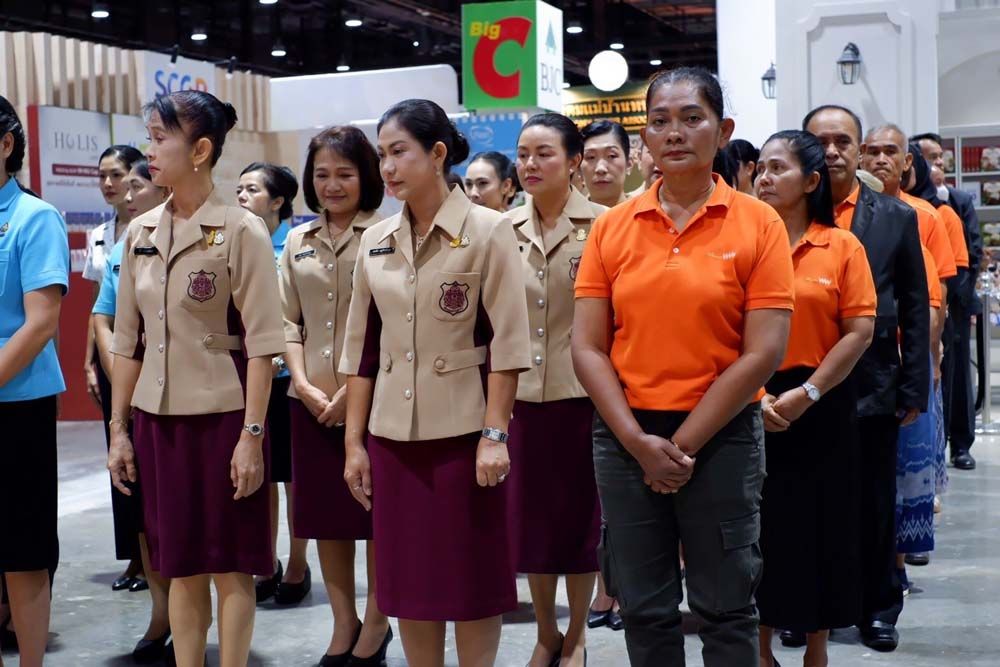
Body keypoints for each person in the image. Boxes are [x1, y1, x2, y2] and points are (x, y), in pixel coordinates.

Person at [572, 67, 795, 667]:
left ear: (722, 130)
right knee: (644, 608)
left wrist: (681, 445)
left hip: (722, 436)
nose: (675, 132)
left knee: (727, 608)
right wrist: (636, 442)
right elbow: (588, 346)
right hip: (626, 437)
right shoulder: (612, 227)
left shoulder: (758, 224)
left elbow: (763, 352)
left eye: (692, 118)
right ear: (645, 137)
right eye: (660, 121)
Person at [339, 98, 531, 667]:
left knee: (473, 585)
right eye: (382, 155)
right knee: (410, 587)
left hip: (466, 439)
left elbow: (507, 346)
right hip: (392, 442)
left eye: (399, 152)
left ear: (438, 153)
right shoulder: (375, 239)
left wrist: (494, 435)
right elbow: (362, 352)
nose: (388, 167)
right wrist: (354, 443)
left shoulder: (490, 230)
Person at [107, 90, 286, 667]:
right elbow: (127, 343)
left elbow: (263, 344)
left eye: (161, 138)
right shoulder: (140, 232)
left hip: (225, 421)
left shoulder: (241, 230)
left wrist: (252, 436)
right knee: (178, 566)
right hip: (159, 425)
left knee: (231, 566)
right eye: (150, 137)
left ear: (201, 150)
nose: (150, 150)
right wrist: (119, 429)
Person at [804, 105, 929, 653]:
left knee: (874, 502)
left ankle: (878, 608)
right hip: (800, 383)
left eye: (843, 141)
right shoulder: (782, 213)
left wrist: (915, 385)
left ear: (858, 149)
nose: (832, 151)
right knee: (807, 502)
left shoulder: (895, 217)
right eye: (821, 141)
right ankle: (807, 607)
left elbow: (916, 305)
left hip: (874, 381)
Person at [753, 130, 876, 667]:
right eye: (760, 167)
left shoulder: (842, 246)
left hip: (823, 402)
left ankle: (816, 650)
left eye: (777, 168)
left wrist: (808, 393)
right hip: (752, 399)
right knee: (760, 530)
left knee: (824, 528)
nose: (764, 177)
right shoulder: (747, 244)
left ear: (810, 181)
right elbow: (724, 329)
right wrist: (758, 395)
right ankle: (760, 650)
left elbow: (859, 332)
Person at [279, 125, 393, 665]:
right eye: (322, 174)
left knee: (376, 520)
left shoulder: (388, 234)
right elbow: (285, 320)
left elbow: (394, 321)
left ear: (366, 176)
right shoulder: (296, 241)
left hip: (375, 401)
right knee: (325, 520)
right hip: (308, 404)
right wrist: (300, 382)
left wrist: (352, 390)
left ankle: (377, 623)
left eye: (345, 174)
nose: (332, 184)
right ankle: (343, 622)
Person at [506, 113, 606, 667]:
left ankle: (578, 635)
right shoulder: (499, 229)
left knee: (578, 524)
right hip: (518, 400)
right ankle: (546, 632)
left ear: (574, 162)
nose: (530, 164)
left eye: (544, 153)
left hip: (583, 398)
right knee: (531, 526)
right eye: (523, 154)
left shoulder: (606, 225)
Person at [91, 157, 173, 663]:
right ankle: (161, 613)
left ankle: (189, 614)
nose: (126, 194)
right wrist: (114, 366)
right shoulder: (126, 245)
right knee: (143, 510)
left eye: (137, 185)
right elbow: (104, 315)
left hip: (180, 392)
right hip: (132, 389)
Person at [0, 95, 70, 667]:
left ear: (5, 145)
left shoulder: (34, 217)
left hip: (16, 408)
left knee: (22, 551)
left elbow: (41, 322)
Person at [235, 162, 312, 605]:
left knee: (293, 477)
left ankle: (298, 564)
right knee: (258, 476)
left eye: (252, 189)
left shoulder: (296, 246)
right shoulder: (237, 243)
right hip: (249, 378)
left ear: (278, 201)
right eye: (239, 189)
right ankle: (265, 562)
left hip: (290, 381)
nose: (242, 196)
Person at [83, 144, 148, 592]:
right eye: (102, 175)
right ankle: (134, 557)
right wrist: (91, 361)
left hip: (147, 360)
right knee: (120, 457)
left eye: (118, 175)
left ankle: (156, 559)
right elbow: (98, 306)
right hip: (111, 357)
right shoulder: (102, 235)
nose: (110, 184)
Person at [912, 131, 982, 471]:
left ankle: (961, 444)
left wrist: (957, 303)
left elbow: (972, 253)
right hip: (925, 303)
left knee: (957, 376)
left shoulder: (956, 202)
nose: (938, 164)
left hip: (955, 300)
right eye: (931, 158)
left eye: (941, 157)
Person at [580, 119, 630, 208]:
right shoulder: (567, 216)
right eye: (591, 157)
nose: (601, 168)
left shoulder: (647, 213)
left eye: (611, 156)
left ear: (629, 164)